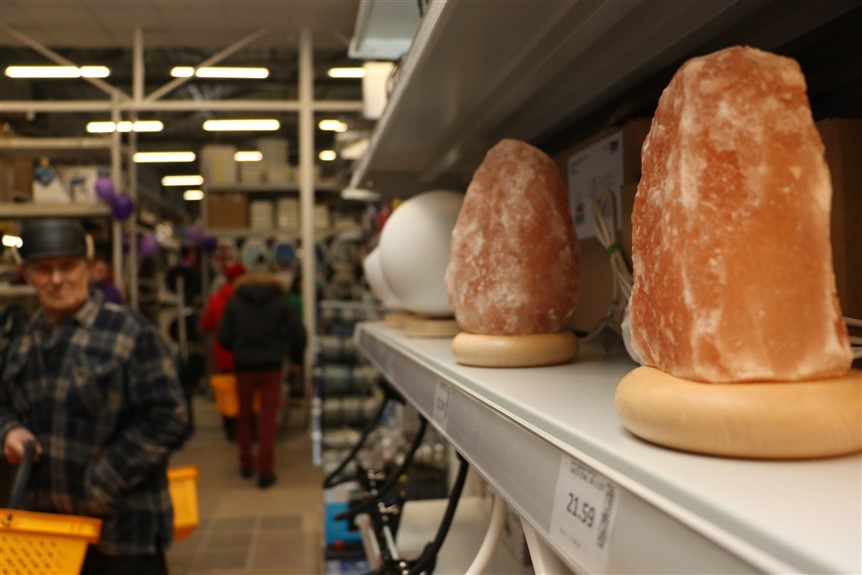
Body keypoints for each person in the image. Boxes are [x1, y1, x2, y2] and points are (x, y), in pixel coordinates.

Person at [0, 219, 189, 575]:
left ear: (87, 268)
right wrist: (9, 430)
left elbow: (169, 417)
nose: (57, 279)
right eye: (44, 269)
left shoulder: (129, 332)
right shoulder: (22, 341)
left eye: (67, 266)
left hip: (122, 536)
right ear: (27, 275)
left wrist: (100, 483)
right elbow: (4, 403)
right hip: (47, 538)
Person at [217, 270, 306, 489]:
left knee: (244, 416)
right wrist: (294, 358)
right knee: (268, 419)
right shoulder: (281, 302)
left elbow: (223, 336)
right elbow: (299, 333)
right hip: (271, 366)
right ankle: (265, 471)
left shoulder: (235, 302)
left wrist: (238, 349)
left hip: (243, 366)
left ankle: (246, 464)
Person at [200, 262, 245, 440]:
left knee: (227, 391)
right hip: (245, 353)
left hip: (223, 352)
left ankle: (230, 426)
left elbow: (206, 324)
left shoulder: (216, 299)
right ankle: (245, 426)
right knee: (245, 391)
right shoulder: (247, 299)